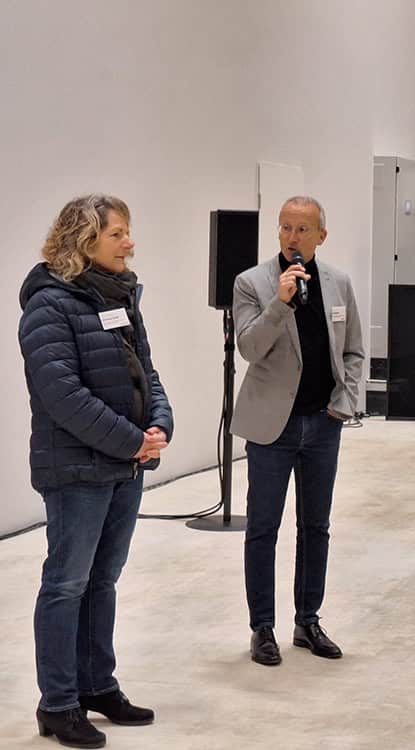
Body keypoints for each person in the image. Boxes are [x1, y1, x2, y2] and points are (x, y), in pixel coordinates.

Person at [18, 195, 173, 748]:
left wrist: (160, 424)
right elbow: (62, 395)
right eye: (118, 234)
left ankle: (97, 685)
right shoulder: (48, 305)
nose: (130, 243)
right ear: (85, 240)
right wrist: (134, 442)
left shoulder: (121, 295)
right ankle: (58, 704)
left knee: (102, 582)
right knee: (66, 585)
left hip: (124, 467)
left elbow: (146, 373)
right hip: (77, 471)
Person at [231, 195, 363, 666]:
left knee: (315, 528)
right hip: (273, 427)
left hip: (323, 425)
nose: (292, 238)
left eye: (302, 229)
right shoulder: (251, 283)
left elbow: (354, 351)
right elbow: (249, 348)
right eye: (285, 228)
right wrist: (280, 303)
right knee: (262, 529)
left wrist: (344, 403)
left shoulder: (339, 283)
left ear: (320, 236)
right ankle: (262, 628)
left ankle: (308, 621)